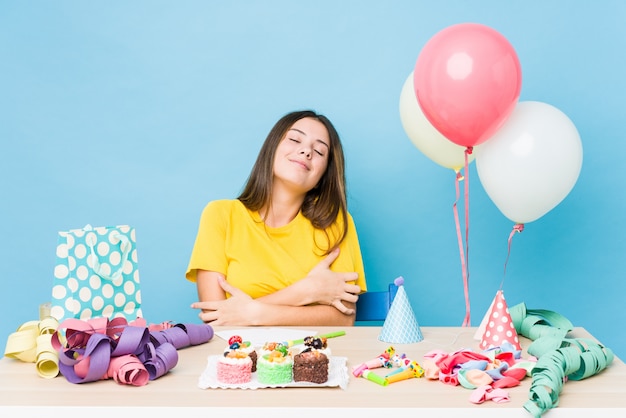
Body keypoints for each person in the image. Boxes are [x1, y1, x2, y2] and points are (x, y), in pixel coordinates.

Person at [186, 109, 367, 326]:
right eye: (294, 139)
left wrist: (256, 314)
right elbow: (217, 320)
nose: (306, 151)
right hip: (239, 356)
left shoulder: (335, 222)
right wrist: (305, 291)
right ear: (271, 149)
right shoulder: (220, 215)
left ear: (322, 176)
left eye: (319, 151)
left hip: (312, 355)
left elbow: (344, 317)